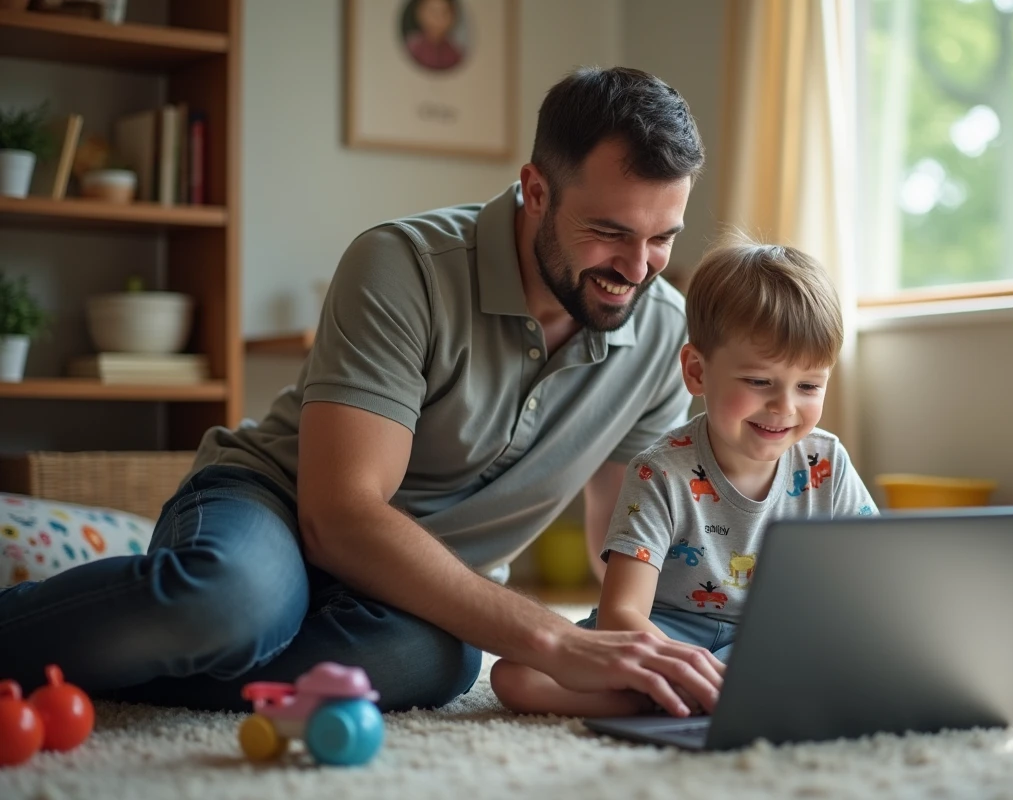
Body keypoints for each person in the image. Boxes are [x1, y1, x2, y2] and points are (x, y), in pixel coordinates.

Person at [0, 67, 725, 720]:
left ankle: (117, 670)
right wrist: (553, 638)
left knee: (433, 661)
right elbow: (339, 517)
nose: (639, 268)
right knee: (231, 602)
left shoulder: (664, 336)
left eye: (663, 237)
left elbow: (619, 549)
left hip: (413, 593)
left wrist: (707, 633)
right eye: (610, 232)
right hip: (278, 505)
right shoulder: (404, 265)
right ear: (535, 191)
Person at [491, 236, 879, 717]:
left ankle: (696, 699)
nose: (784, 407)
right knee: (514, 675)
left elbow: (871, 579)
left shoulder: (828, 462)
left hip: (766, 641)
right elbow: (622, 615)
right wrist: (683, 665)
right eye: (759, 381)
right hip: (664, 633)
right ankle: (700, 695)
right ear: (696, 371)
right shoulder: (660, 470)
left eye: (808, 386)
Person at [403, 0, 464, 71]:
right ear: (420, 13)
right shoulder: (411, 48)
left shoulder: (456, 55)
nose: (438, 19)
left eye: (444, 13)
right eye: (433, 12)